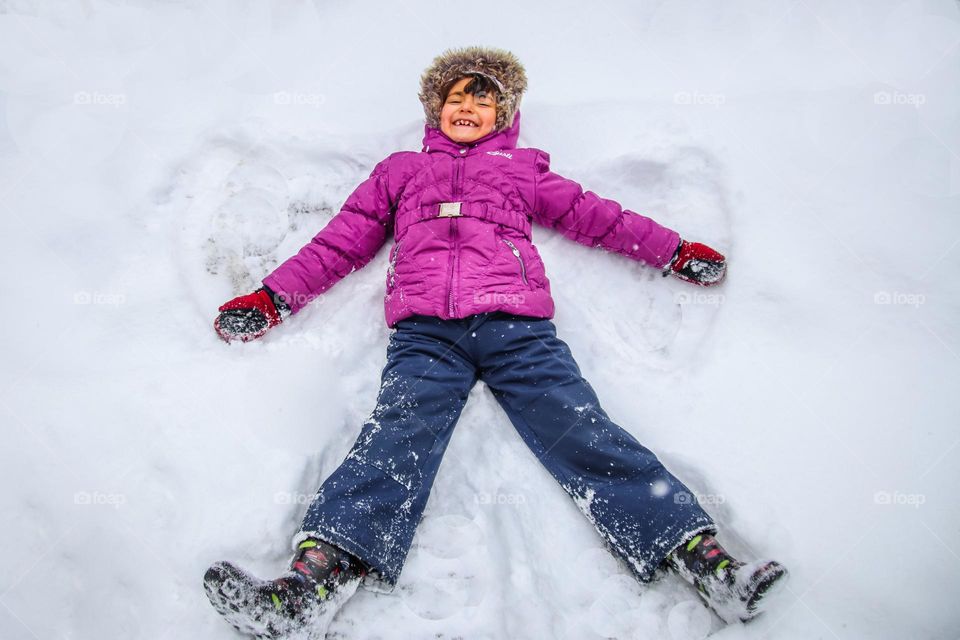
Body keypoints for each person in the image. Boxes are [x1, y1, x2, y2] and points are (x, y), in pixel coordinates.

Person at [203, 46, 788, 638]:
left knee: (580, 426)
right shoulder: (400, 171)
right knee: (396, 434)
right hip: (426, 335)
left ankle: (704, 562)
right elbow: (341, 242)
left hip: (518, 330)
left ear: (504, 113)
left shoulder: (521, 170)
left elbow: (600, 217)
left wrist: (674, 252)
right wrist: (272, 298)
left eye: (482, 98)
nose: (467, 107)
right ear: (435, 109)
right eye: (456, 97)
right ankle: (312, 585)